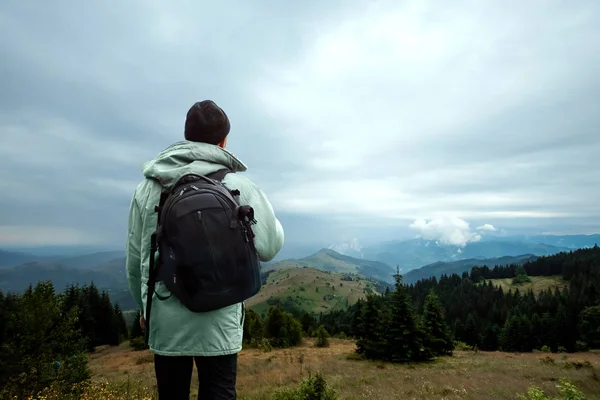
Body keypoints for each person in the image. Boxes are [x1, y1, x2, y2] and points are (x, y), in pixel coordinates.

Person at [125, 100, 284, 399]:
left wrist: (143, 306)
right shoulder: (238, 185)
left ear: (187, 136)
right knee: (219, 392)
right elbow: (269, 247)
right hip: (220, 315)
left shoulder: (148, 188)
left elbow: (136, 258)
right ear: (223, 141)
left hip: (166, 314)